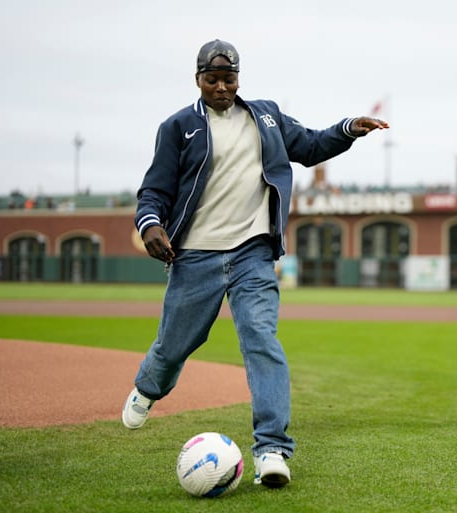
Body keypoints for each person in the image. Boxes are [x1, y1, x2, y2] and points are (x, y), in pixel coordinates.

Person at [120, 39, 389, 489]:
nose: (222, 87)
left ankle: (271, 450)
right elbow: (155, 191)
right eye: (213, 80)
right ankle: (148, 388)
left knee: (262, 341)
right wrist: (150, 225)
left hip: (253, 252)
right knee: (173, 345)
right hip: (197, 256)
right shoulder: (178, 126)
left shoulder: (265, 115)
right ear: (198, 80)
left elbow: (311, 146)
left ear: (239, 79)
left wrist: (348, 129)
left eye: (229, 79)